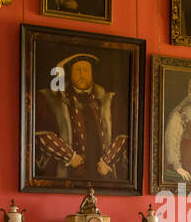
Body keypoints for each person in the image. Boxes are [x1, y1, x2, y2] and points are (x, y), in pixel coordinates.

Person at [34, 53, 127, 183]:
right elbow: (42, 135)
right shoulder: (52, 99)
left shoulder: (109, 100)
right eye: (77, 70)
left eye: (85, 70)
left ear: (92, 74)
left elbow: (122, 137)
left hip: (100, 174)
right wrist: (70, 157)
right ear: (70, 74)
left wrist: (107, 161)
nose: (82, 74)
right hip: (66, 174)